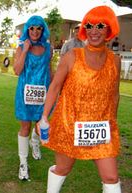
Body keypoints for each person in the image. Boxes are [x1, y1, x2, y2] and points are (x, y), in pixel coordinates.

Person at [39, 6, 122, 193]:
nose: (94, 31)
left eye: (100, 26)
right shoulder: (72, 56)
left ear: (109, 29)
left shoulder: (114, 61)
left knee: (111, 177)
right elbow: (54, 87)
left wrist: (112, 122)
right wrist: (44, 117)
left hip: (101, 129)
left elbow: (114, 94)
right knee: (63, 168)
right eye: (90, 25)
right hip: (70, 125)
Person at [13, 15, 53, 180]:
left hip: (42, 94)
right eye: (32, 28)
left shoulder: (48, 48)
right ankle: (23, 163)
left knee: (39, 126)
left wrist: (54, 88)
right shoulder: (21, 47)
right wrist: (25, 50)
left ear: (42, 30)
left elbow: (49, 70)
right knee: (25, 128)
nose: (35, 32)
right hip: (25, 93)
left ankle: (35, 142)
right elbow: (17, 70)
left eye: (38, 28)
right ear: (27, 30)